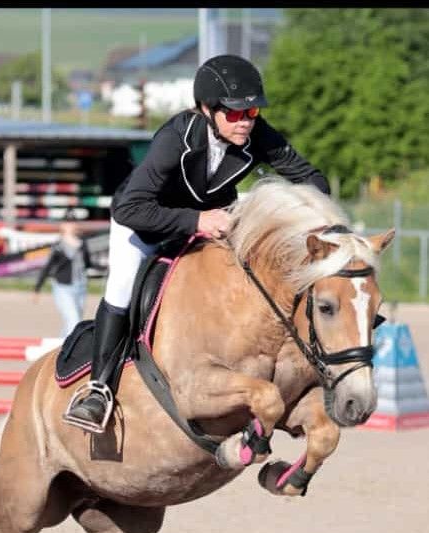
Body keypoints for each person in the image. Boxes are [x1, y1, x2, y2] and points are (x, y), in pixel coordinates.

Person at [65, 53, 330, 432]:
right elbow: (129, 208)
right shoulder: (177, 137)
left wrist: (295, 216)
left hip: (214, 220)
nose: (244, 122)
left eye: (251, 113)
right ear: (207, 109)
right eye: (234, 113)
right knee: (121, 288)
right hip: (147, 220)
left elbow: (312, 179)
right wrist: (196, 220)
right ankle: (98, 390)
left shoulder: (258, 134)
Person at [34, 209, 92, 338]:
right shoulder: (58, 246)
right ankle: (69, 354)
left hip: (81, 287)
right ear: (62, 226)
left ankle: (60, 350)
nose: (71, 225)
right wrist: (37, 288)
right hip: (63, 287)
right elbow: (48, 267)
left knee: (71, 323)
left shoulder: (82, 244)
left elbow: (88, 264)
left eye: (73, 222)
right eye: (68, 222)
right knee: (73, 321)